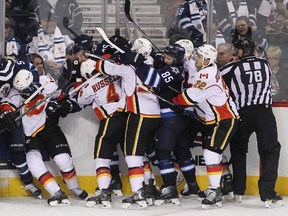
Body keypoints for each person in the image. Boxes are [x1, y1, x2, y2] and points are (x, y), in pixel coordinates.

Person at [126, 43, 200, 206]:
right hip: (181, 118)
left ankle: (170, 190)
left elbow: (153, 79)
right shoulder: (178, 67)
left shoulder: (174, 70)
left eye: (168, 57)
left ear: (176, 60)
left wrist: (138, 63)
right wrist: (160, 61)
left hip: (170, 118)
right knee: (182, 151)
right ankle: (193, 186)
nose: (165, 59)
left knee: (162, 152)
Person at [0, 69, 88, 206]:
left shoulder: (45, 82)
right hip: (31, 134)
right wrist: (6, 115)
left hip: (50, 128)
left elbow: (63, 98)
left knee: (63, 160)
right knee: (34, 164)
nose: (23, 92)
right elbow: (6, 105)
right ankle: (56, 192)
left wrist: (64, 106)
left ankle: (74, 187)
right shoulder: (14, 92)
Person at [172, 44, 239, 209]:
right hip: (215, 120)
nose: (196, 58)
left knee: (210, 153)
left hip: (224, 120)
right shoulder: (207, 69)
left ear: (207, 60)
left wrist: (174, 100)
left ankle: (214, 190)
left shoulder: (207, 74)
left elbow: (190, 97)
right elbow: (193, 75)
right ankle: (218, 188)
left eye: (200, 57)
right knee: (213, 154)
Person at [220, 38, 283, 208]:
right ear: (254, 50)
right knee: (270, 151)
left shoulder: (232, 67)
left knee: (239, 151)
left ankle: (238, 190)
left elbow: (217, 77)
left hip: (243, 114)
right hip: (264, 113)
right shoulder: (264, 63)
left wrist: (232, 61)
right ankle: (268, 194)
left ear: (239, 52)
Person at [28, 6, 74, 80]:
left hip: (63, 77)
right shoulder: (34, 39)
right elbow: (30, 61)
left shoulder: (65, 38)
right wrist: (44, 63)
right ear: (42, 21)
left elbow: (74, 58)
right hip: (42, 78)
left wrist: (62, 65)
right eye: (49, 20)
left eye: (54, 20)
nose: (52, 23)